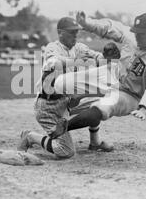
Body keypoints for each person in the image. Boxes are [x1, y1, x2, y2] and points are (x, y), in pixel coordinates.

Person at [49, 11, 146, 142]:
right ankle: (56, 109)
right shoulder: (131, 37)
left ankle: (64, 128)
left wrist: (145, 107)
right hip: (112, 77)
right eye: (136, 32)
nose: (138, 37)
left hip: (129, 95)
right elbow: (108, 28)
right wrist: (86, 23)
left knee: (101, 108)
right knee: (63, 85)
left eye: (142, 34)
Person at [17, 17, 113, 159]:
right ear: (60, 33)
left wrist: (107, 57)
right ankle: (30, 137)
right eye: (71, 32)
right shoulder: (52, 47)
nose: (75, 35)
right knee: (65, 151)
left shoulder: (79, 47)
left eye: (76, 32)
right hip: (48, 108)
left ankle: (95, 142)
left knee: (98, 105)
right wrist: (81, 62)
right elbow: (54, 63)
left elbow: (97, 57)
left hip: (66, 102)